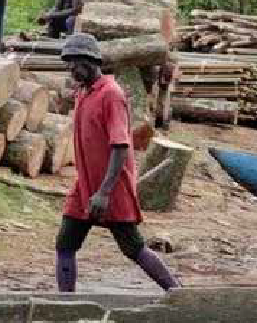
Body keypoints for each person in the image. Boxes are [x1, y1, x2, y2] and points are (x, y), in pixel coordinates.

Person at [55, 33, 179, 293]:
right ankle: (64, 302)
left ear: (89, 61)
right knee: (65, 243)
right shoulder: (84, 92)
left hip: (111, 187)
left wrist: (104, 193)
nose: (70, 69)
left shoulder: (111, 95)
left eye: (74, 62)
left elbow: (121, 146)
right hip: (85, 184)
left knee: (132, 247)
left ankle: (177, 292)